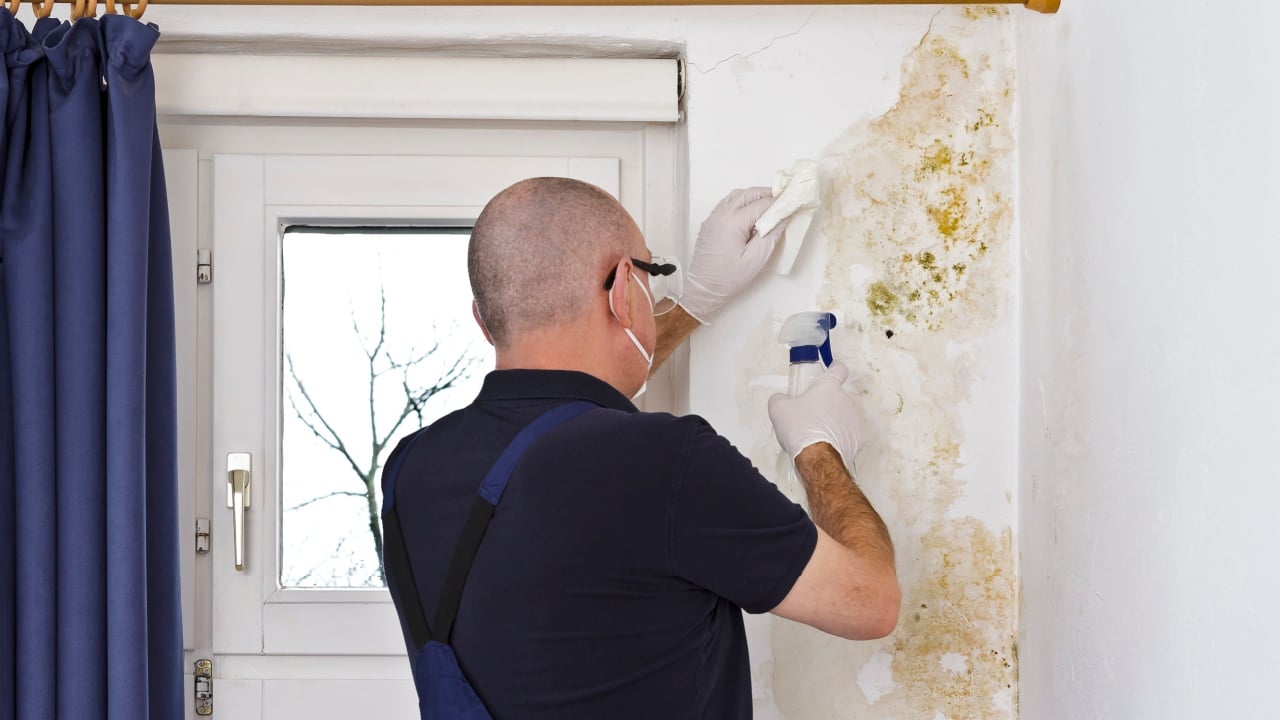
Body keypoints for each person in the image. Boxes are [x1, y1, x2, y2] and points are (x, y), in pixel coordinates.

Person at [381, 177, 899, 719]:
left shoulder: (411, 470)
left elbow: (564, 409)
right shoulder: (667, 461)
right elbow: (870, 602)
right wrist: (819, 448)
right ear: (624, 288)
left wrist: (694, 302)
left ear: (484, 322)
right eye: (652, 277)